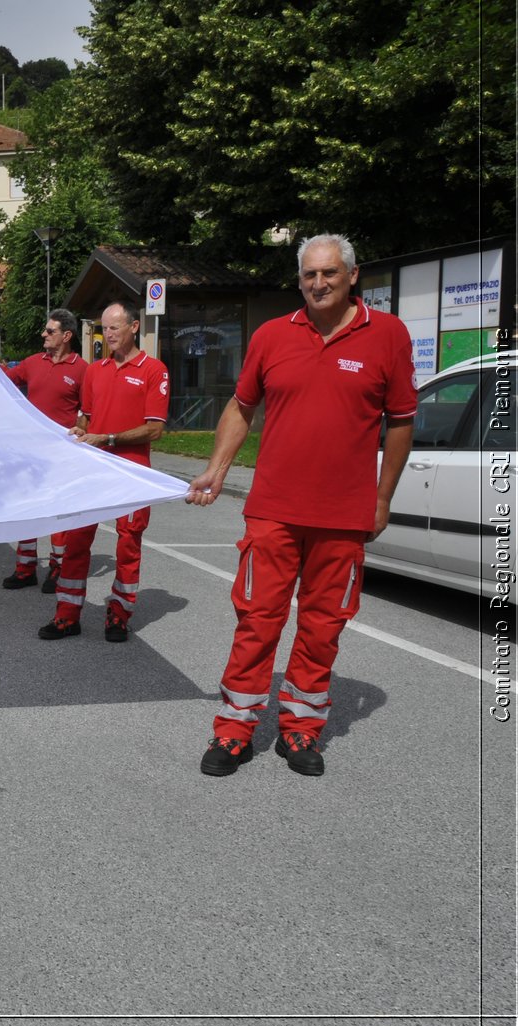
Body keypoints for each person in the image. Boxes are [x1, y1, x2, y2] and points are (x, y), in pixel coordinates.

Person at [189, 234, 416, 777]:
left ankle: (300, 731)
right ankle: (234, 732)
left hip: (342, 516)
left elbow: (402, 421)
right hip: (273, 511)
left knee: (322, 627)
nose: (319, 283)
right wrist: (216, 471)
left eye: (330, 273)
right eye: (310, 275)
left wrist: (381, 499)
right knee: (256, 622)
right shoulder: (272, 336)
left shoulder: (387, 335)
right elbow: (241, 408)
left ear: (352, 275)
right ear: (299, 280)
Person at [39, 300, 168, 643]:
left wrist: (108, 438)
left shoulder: (154, 369)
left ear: (134, 327)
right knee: (77, 540)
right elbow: (86, 418)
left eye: (115, 327)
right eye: (105, 328)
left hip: (132, 472)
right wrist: (80, 431)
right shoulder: (96, 370)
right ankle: (67, 614)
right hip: (95, 470)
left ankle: (119, 614)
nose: (108, 334)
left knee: (128, 546)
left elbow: (154, 429)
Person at [1, 309, 87, 592]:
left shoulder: (82, 369)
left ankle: (57, 568)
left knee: (59, 512)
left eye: (49, 331)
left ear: (66, 336)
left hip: (63, 454)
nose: (43, 335)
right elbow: (5, 379)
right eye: (45, 330)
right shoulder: (32, 362)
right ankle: (25, 568)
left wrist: (84, 432)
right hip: (31, 453)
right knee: (28, 508)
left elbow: (88, 411)